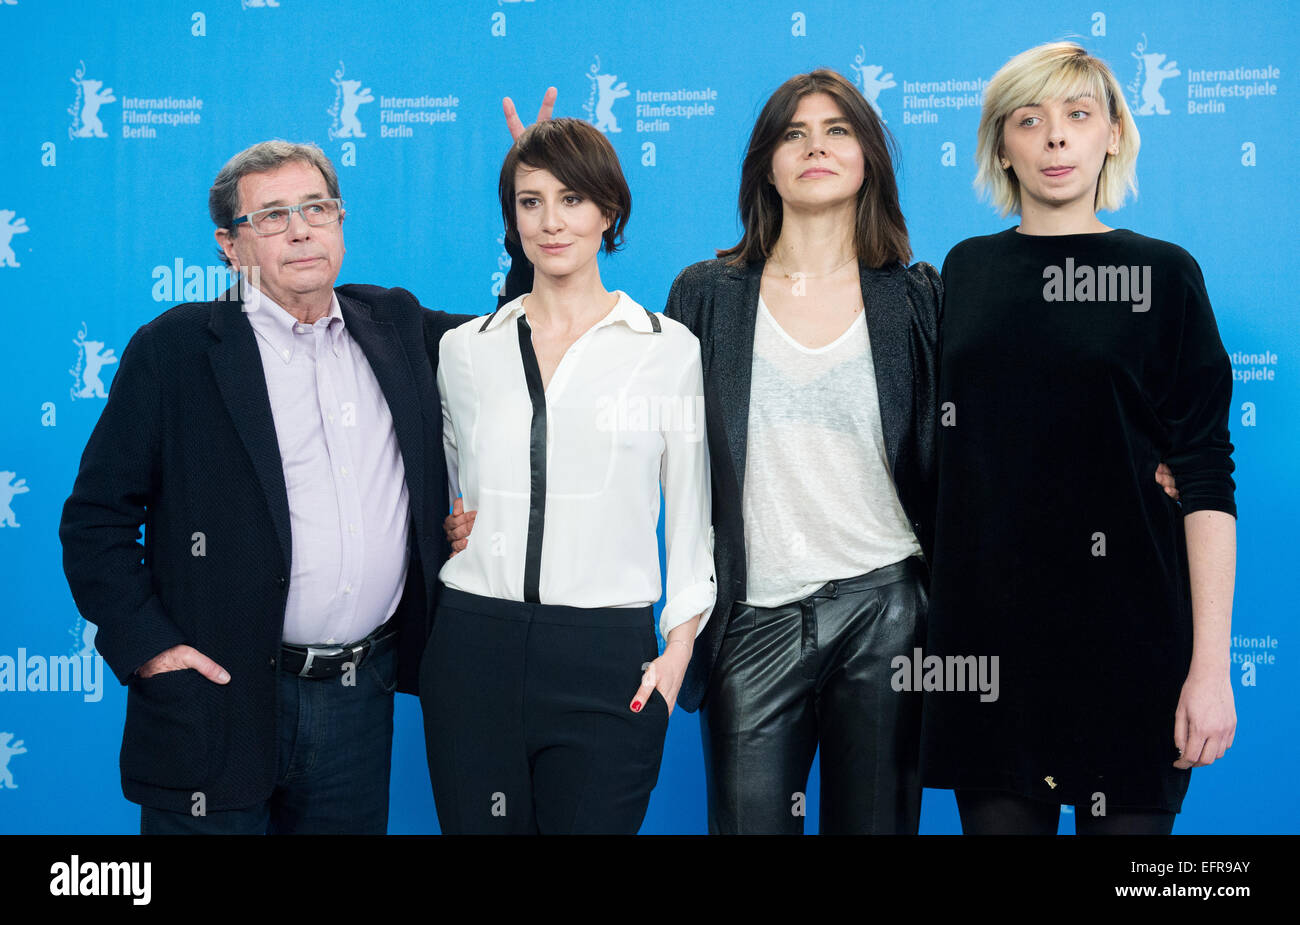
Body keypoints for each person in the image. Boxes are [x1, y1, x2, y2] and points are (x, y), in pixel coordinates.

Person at [59, 140, 473, 834]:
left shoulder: (396, 324)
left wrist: (531, 186)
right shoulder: (174, 350)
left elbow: (518, 333)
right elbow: (94, 519)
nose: (302, 228)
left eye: (316, 207)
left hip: (357, 696)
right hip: (217, 699)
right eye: (273, 216)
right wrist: (150, 647)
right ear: (229, 245)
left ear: (340, 221)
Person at [920, 41, 1237, 835]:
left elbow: (1203, 475)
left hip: (1132, 647)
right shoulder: (961, 272)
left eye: (1077, 115)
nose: (1055, 138)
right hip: (990, 654)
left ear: (1113, 134)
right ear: (1002, 144)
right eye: (1029, 120)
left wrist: (1211, 668)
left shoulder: (1164, 274)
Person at [421, 117, 715, 834]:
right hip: (472, 650)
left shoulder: (666, 348)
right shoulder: (464, 350)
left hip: (604, 655)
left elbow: (690, 514)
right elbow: (449, 489)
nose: (551, 222)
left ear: (608, 210)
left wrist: (676, 654)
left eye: (573, 198)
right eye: (530, 201)